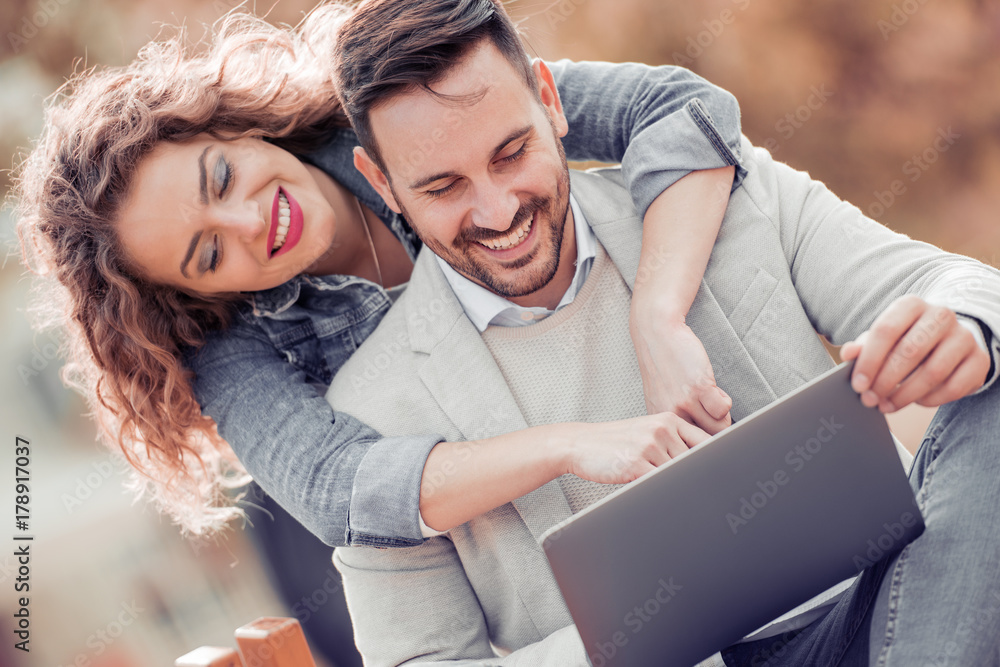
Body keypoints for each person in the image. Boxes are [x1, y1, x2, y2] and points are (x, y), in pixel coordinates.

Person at [326, 0, 1000, 664]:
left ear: (549, 101)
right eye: (443, 188)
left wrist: (962, 327)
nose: (497, 210)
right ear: (382, 183)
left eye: (511, 153)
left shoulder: (725, 196)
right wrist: (629, 639)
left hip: (894, 602)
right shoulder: (372, 409)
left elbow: (964, 287)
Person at [13, 1, 746, 551]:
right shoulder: (229, 350)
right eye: (207, 254)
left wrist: (659, 313)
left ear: (229, 124)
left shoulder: (391, 110)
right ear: (192, 293)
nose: (248, 221)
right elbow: (341, 490)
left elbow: (678, 108)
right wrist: (567, 444)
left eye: (222, 176)